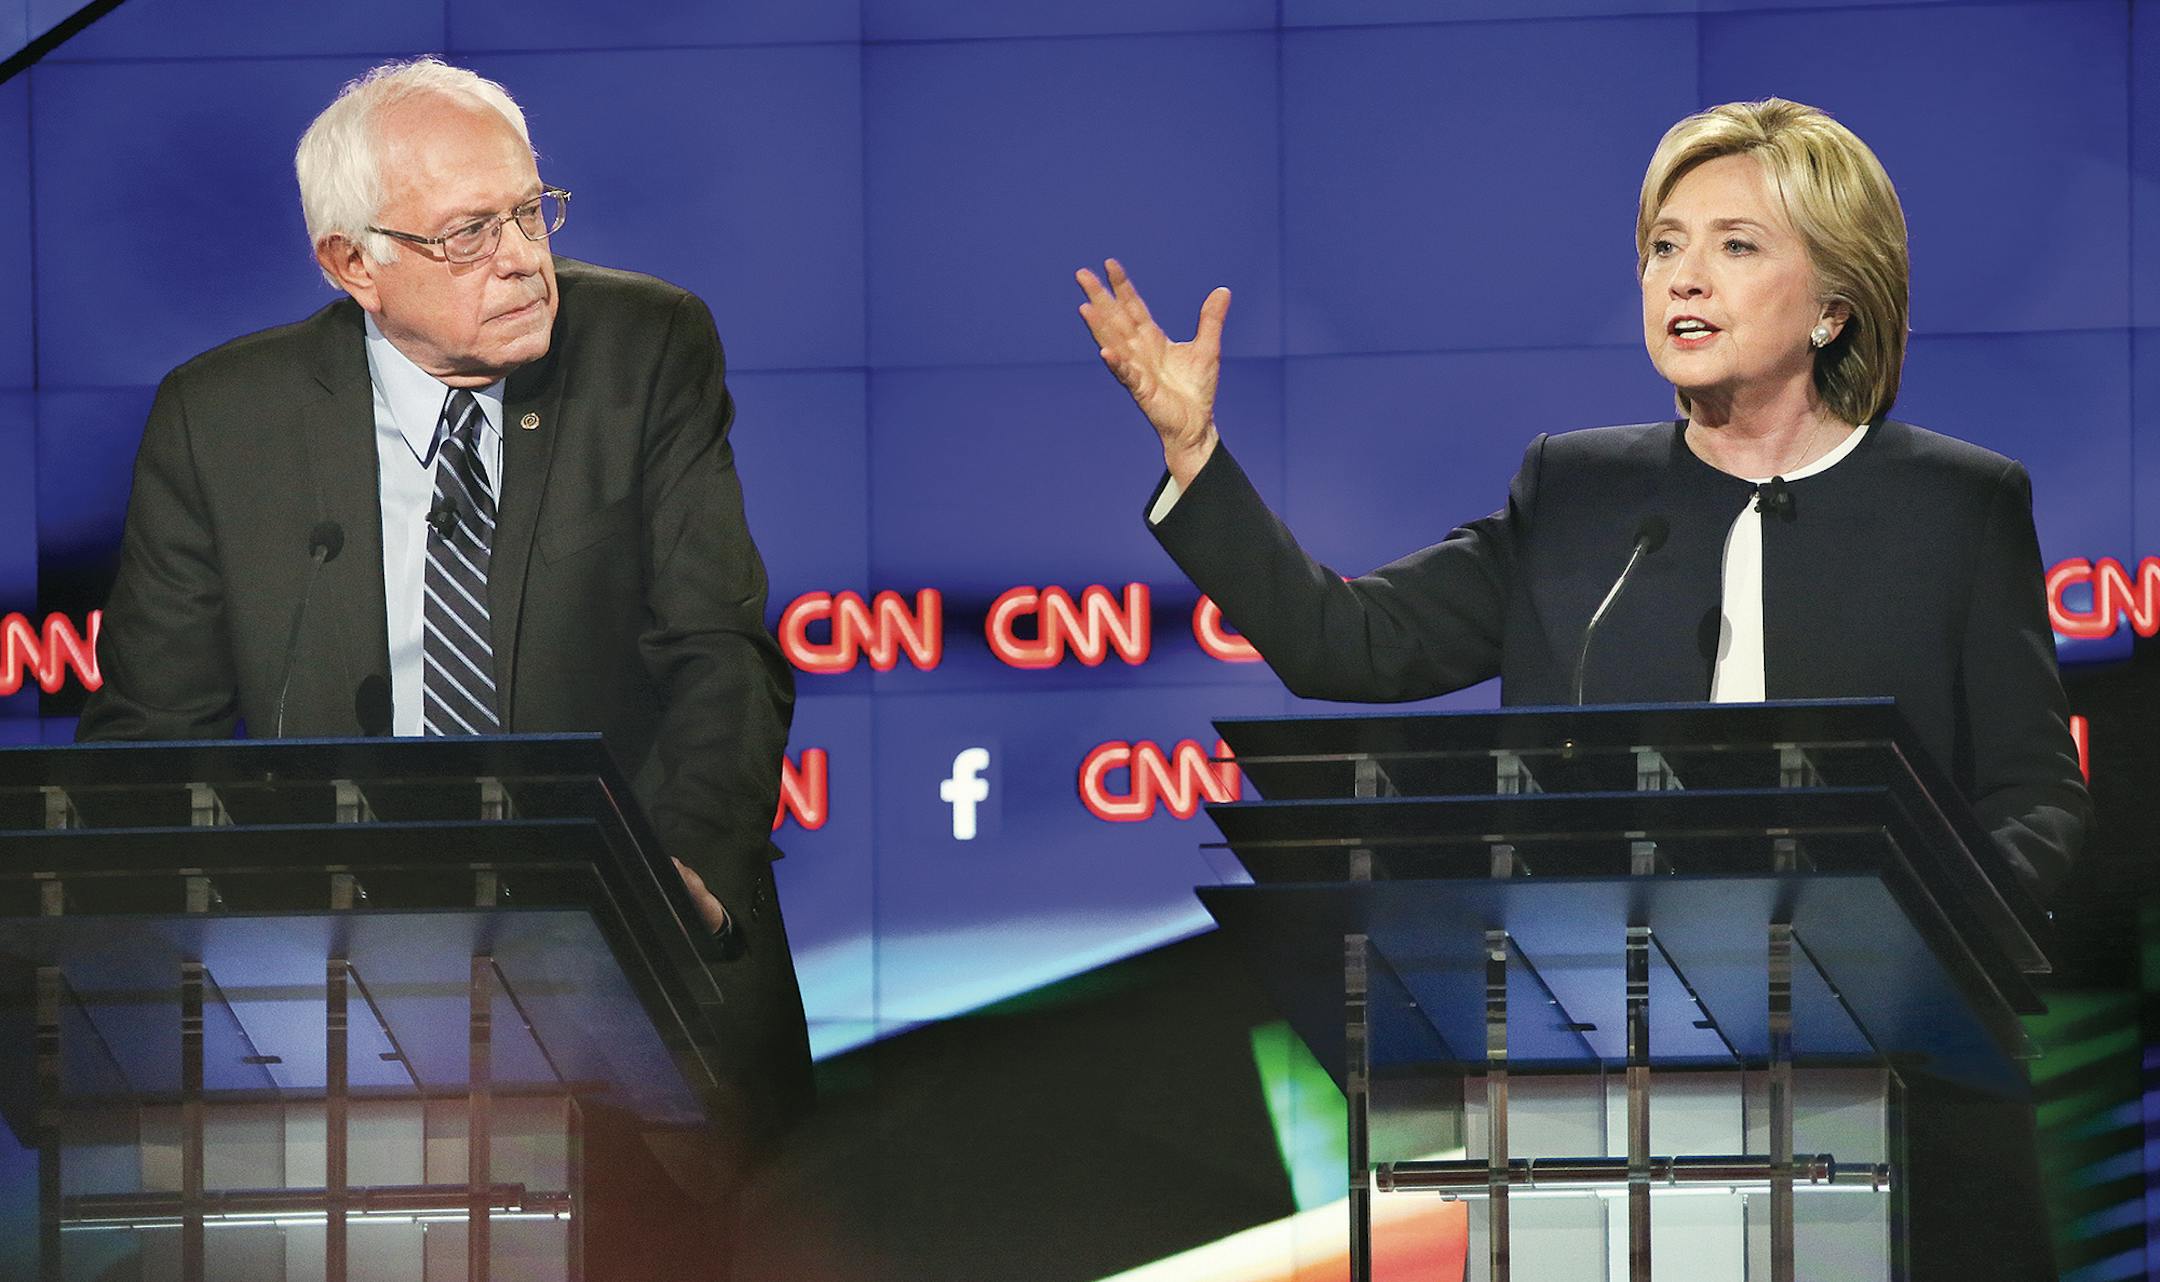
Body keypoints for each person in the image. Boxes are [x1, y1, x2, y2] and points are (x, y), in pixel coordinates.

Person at [1078, 98, 2087, 1277]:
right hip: (1605, 1108)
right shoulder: (1578, 495)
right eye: (1666, 245)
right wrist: (1196, 458)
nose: (1684, 277)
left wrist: (1915, 939)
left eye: (1735, 244)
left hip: (1894, 1107)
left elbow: (2037, 796)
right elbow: (1340, 640)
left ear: (1832, 303)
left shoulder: (1957, 509)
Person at [76, 55, 813, 1175]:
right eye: (468, 233)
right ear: (350, 263)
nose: (523, 260)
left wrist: (685, 878)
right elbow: (149, 744)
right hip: (340, 1014)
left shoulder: (645, 350)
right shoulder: (221, 422)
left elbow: (720, 649)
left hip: (644, 971)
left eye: (530, 212)